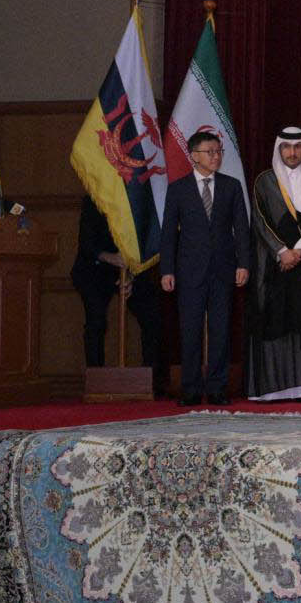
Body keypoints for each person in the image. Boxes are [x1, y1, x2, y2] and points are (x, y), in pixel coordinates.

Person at [158, 128, 250, 405]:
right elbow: (168, 234)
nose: (216, 157)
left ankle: (218, 387)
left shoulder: (232, 186)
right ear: (194, 156)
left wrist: (243, 264)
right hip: (189, 271)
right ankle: (191, 389)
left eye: (218, 151)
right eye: (209, 152)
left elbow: (241, 229)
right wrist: (166, 269)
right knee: (190, 331)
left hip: (223, 269)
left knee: (221, 331)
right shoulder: (178, 189)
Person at [248, 126, 301, 401]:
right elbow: (259, 220)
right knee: (277, 321)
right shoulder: (265, 181)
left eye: (298, 147)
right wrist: (282, 251)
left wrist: (296, 252)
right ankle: (273, 389)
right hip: (275, 267)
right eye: (287, 147)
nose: (292, 152)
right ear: (279, 149)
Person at [71, 194, 164, 398]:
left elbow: (146, 242)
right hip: (95, 267)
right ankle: (96, 382)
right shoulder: (97, 192)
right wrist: (111, 258)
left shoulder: (140, 195)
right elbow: (87, 243)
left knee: (152, 316)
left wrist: (131, 274)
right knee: (96, 321)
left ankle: (153, 381)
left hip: (130, 268)